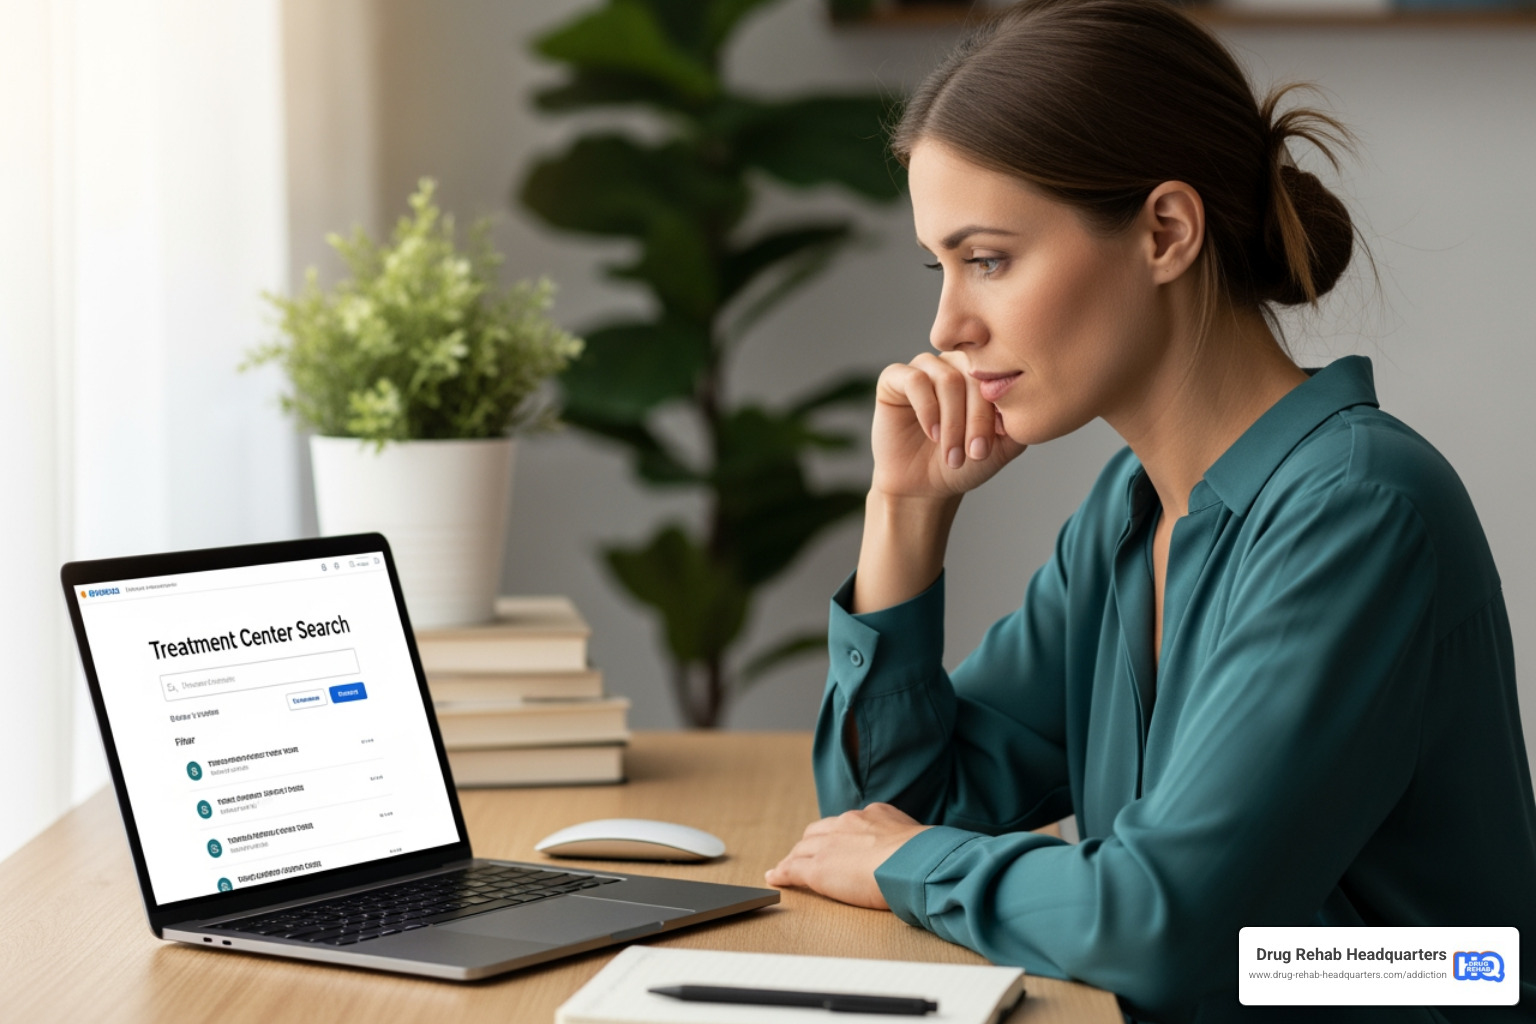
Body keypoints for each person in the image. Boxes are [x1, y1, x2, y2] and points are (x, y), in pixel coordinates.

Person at [763, 1, 1536, 1020]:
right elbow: (890, 817)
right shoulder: (1126, 519)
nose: (947, 324)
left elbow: (1175, 924)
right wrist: (905, 510)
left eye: (987, 258)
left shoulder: (1358, 509)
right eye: (938, 266)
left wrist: (922, 866)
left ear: (1166, 231)